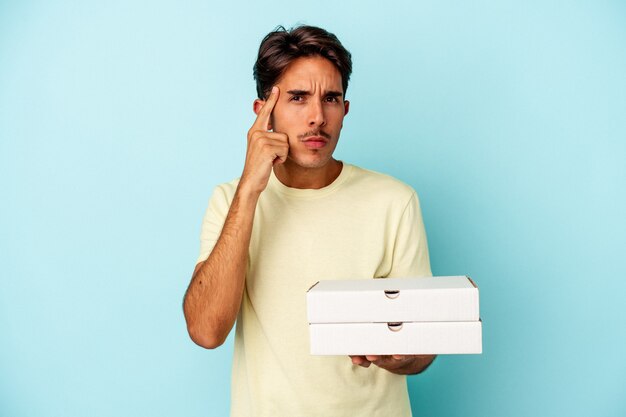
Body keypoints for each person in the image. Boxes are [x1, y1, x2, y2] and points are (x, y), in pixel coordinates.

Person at [183, 25, 435, 416]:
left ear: (345, 110)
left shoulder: (394, 201)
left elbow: (423, 349)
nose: (317, 117)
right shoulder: (229, 201)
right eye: (298, 98)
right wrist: (249, 190)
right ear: (263, 111)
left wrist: (393, 356)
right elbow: (206, 331)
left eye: (331, 99)